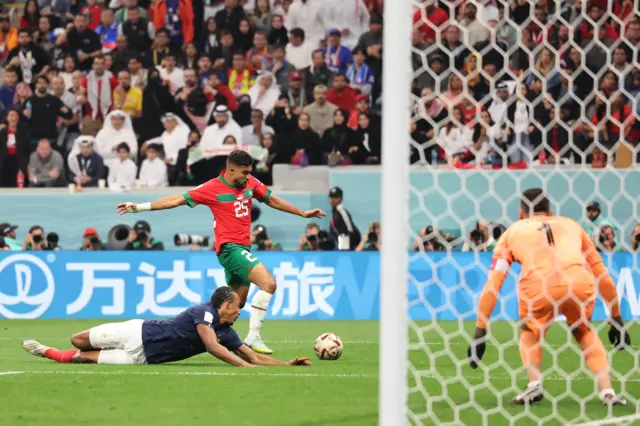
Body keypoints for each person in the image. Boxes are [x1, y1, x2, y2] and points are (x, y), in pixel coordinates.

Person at [115, 150, 325, 354]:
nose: (248, 176)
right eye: (245, 172)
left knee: (233, 305)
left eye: (250, 171)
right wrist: (139, 207)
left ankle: (186, 330)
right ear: (231, 170)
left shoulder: (249, 183)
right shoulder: (212, 188)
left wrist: (302, 213)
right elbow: (175, 199)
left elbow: (271, 199)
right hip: (230, 249)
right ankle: (253, 336)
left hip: (242, 249)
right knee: (269, 283)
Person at [467, 188, 629, 406]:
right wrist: (616, 318)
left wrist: (480, 330)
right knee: (583, 331)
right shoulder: (573, 226)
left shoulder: (512, 232)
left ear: (521, 213)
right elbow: (603, 275)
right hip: (579, 282)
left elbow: (493, 285)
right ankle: (608, 392)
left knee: (530, 330)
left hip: (539, 286)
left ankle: (534, 386)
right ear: (550, 210)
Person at [23, 286, 311, 367]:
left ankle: (46, 352)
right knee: (78, 341)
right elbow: (211, 347)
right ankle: (55, 349)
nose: (241, 309)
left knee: (80, 358)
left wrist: (286, 364)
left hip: (143, 357)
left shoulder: (227, 331)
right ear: (225, 305)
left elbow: (254, 355)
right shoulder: (205, 313)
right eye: (238, 305)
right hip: (136, 332)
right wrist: (245, 368)